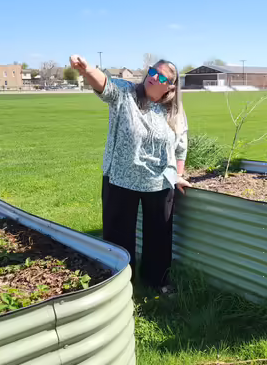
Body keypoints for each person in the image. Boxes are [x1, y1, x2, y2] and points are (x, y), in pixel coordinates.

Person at [69, 54, 190, 292]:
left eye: (160, 77)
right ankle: (120, 286)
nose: (153, 78)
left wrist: (178, 174)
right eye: (151, 73)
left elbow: (180, 145)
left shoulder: (173, 111)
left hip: (159, 181)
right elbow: (105, 85)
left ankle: (157, 282)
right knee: (118, 238)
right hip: (121, 179)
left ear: (170, 86)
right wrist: (87, 69)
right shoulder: (126, 94)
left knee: (159, 237)